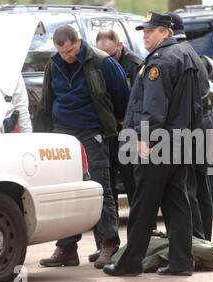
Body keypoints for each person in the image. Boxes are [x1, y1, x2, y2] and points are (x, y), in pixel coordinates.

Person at [103, 12, 202, 277]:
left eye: (150, 30)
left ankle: (130, 262)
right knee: (177, 204)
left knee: (143, 205)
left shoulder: (161, 60)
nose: (145, 35)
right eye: (144, 30)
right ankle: (182, 262)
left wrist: (145, 139)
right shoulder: (186, 54)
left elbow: (154, 106)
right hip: (180, 141)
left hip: (157, 144)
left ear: (165, 33)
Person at [33, 25, 131, 269]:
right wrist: (43, 135)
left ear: (79, 41)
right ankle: (66, 248)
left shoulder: (102, 62)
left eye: (71, 50)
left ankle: (109, 244)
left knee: (101, 189)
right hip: (62, 136)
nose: (67, 56)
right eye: (62, 52)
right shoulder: (53, 66)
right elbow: (46, 102)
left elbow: (123, 97)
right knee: (64, 192)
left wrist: (114, 126)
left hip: (93, 134)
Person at [88, 29, 143, 263]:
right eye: (103, 54)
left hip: (128, 134)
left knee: (134, 188)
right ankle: (105, 245)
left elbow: (139, 100)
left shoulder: (136, 65)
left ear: (120, 46)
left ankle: (139, 243)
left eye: (112, 54)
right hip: (105, 135)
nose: (107, 59)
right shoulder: (94, 63)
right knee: (104, 190)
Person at [167, 12, 213, 241]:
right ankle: (205, 240)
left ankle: (196, 241)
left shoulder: (177, 53)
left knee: (189, 187)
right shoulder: (192, 51)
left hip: (190, 125)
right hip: (203, 122)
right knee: (202, 186)